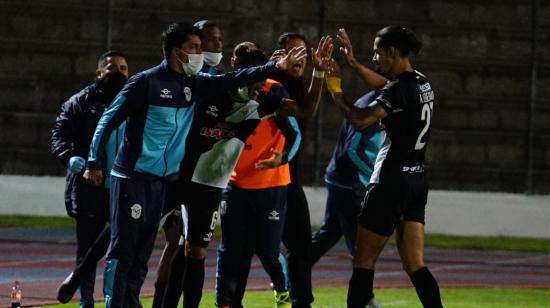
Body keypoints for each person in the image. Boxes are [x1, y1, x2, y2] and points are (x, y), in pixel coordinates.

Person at [83, 22, 305, 308]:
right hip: (132, 176)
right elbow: (107, 120)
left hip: (162, 181)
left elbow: (238, 78)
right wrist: (93, 160)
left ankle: (131, 302)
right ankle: (114, 302)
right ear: (178, 53)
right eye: (196, 47)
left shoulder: (194, 84)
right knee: (124, 248)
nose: (203, 52)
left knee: (142, 254)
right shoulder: (146, 82)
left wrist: (276, 68)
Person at [328, 26, 442, 308]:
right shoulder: (420, 82)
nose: (374, 57)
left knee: (364, 262)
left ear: (392, 52)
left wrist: (336, 91)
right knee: (416, 264)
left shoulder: (399, 90)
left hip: (389, 182)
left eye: (377, 51)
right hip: (416, 181)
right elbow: (386, 87)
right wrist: (354, 64)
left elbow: (359, 119)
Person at [215, 36, 332, 308]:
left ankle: (286, 293)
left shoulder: (273, 92)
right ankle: (226, 303)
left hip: (272, 184)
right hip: (234, 185)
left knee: (270, 250)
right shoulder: (222, 90)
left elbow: (300, 122)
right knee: (231, 251)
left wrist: (282, 159)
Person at [151, 19, 226, 308]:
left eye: (219, 39)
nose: (217, 45)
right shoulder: (177, 79)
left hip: (203, 179)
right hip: (173, 173)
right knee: (172, 244)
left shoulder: (220, 81)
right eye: (209, 40)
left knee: (190, 247)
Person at [50, 50, 128, 307]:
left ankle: (111, 300)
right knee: (87, 251)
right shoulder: (81, 101)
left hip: (121, 186)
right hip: (89, 186)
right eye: (112, 67)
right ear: (99, 73)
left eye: (124, 68)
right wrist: (72, 159)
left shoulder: (133, 101)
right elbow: (59, 136)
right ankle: (86, 302)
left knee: (117, 250)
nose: (119, 72)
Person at [310, 88, 383, 308]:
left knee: (329, 233)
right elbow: (351, 150)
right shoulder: (372, 106)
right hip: (348, 184)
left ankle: (292, 273)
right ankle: (365, 298)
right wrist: (374, 176)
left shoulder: (381, 101)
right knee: (360, 246)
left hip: (342, 180)